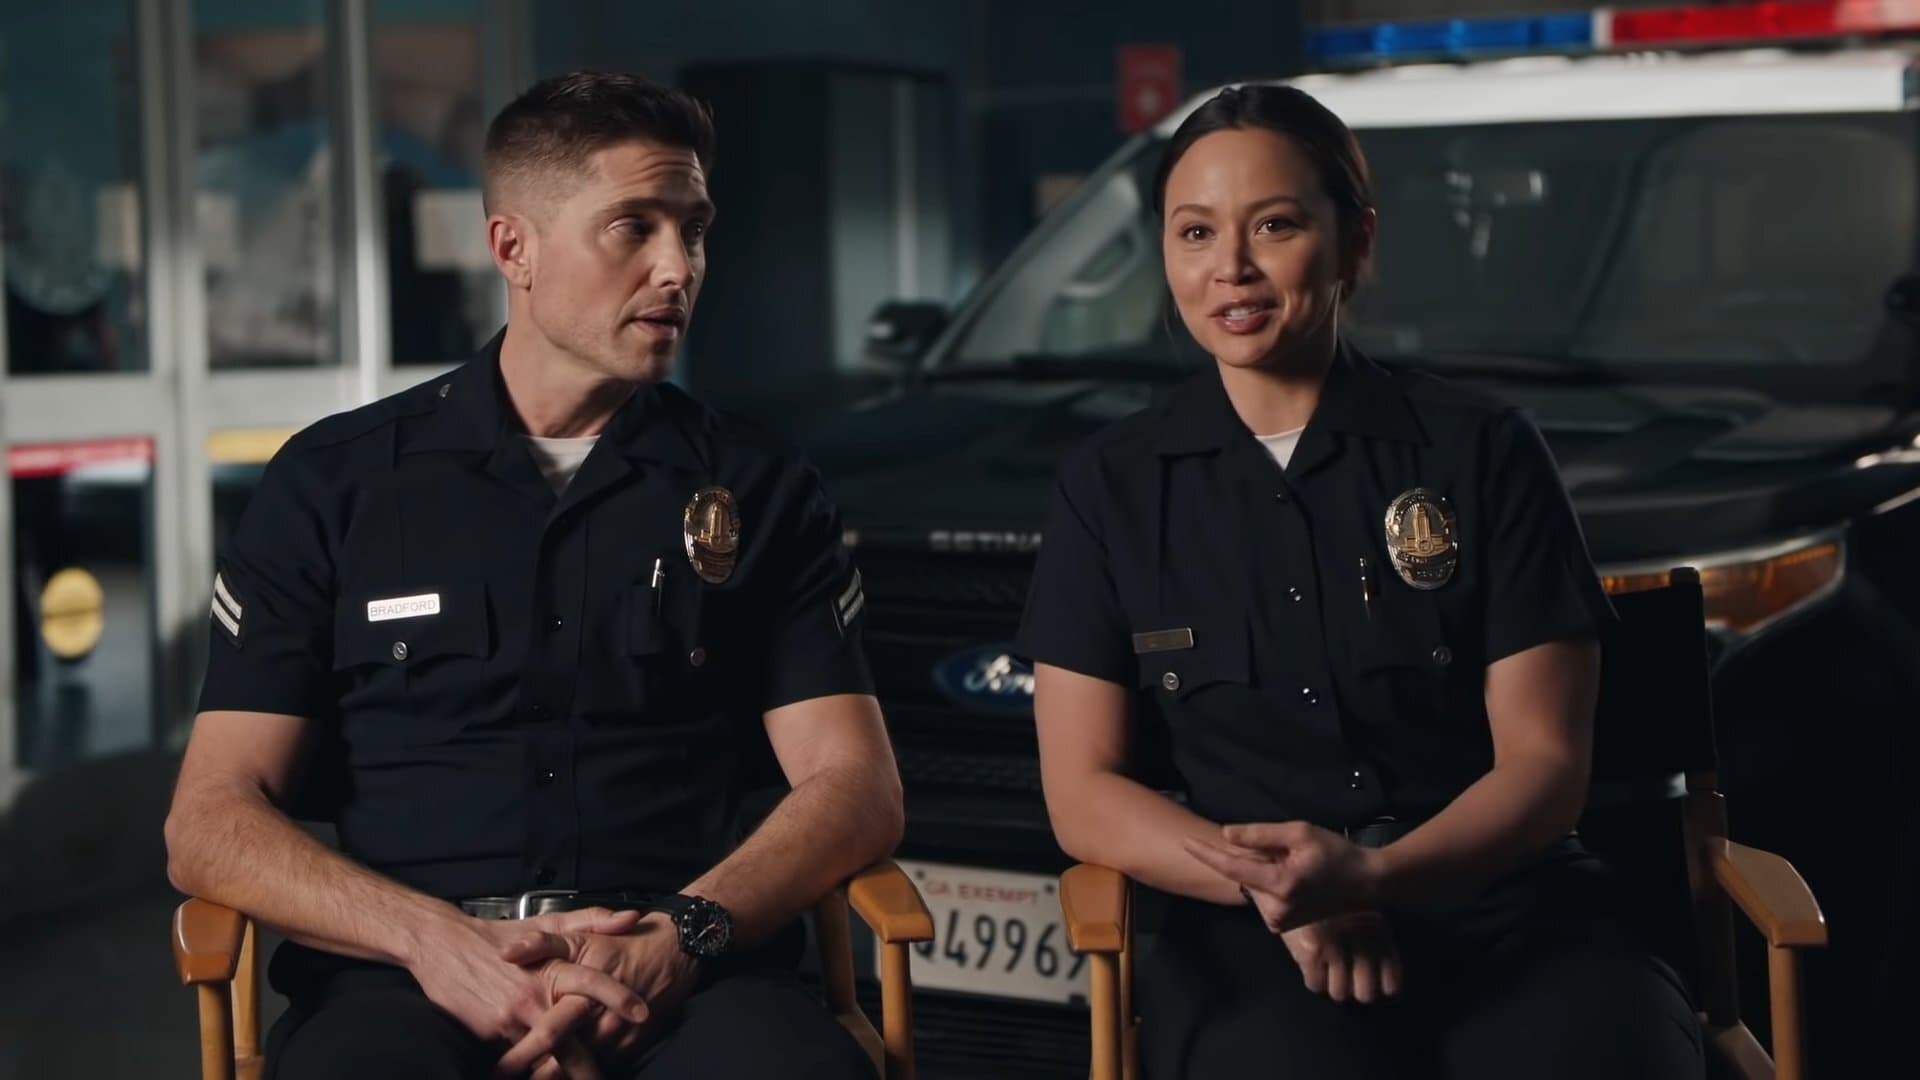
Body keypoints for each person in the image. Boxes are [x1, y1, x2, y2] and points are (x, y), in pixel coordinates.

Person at [164, 71, 903, 1080]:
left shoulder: (758, 485)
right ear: (513, 247)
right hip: (408, 974)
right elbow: (208, 822)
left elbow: (857, 786)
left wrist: (685, 937)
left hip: (691, 970)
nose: (677, 267)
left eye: (693, 230)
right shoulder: (336, 484)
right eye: (633, 227)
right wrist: (436, 943)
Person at [1015, 84, 1704, 1079]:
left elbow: (1546, 764)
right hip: (1250, 931)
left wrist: (1375, 878)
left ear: (1355, 242)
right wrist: (1282, 892)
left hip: (1513, 907)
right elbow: (1083, 793)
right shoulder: (1111, 485)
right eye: (1196, 232)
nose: (1231, 268)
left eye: (1276, 225)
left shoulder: (1483, 450)